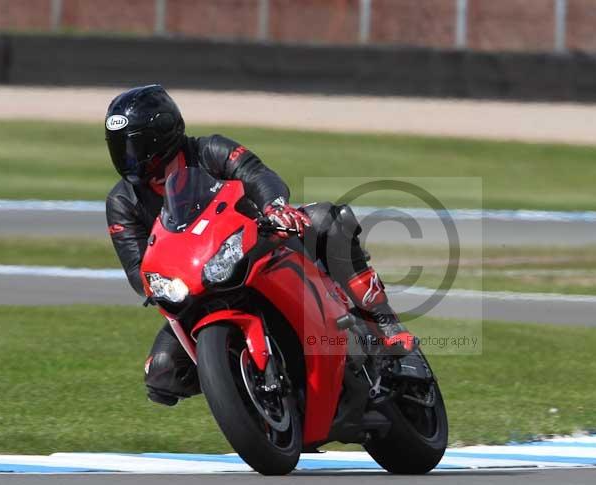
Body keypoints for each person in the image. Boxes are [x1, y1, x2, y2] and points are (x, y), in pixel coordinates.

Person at [105, 84, 415, 406]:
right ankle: (245, 393)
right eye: (121, 148)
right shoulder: (122, 202)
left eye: (136, 146)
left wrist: (274, 207)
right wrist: (156, 285)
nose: (129, 157)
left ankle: (382, 321)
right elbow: (137, 267)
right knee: (162, 372)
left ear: (163, 134)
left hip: (258, 246)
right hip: (198, 286)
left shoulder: (211, 150)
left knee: (326, 219)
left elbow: (258, 175)